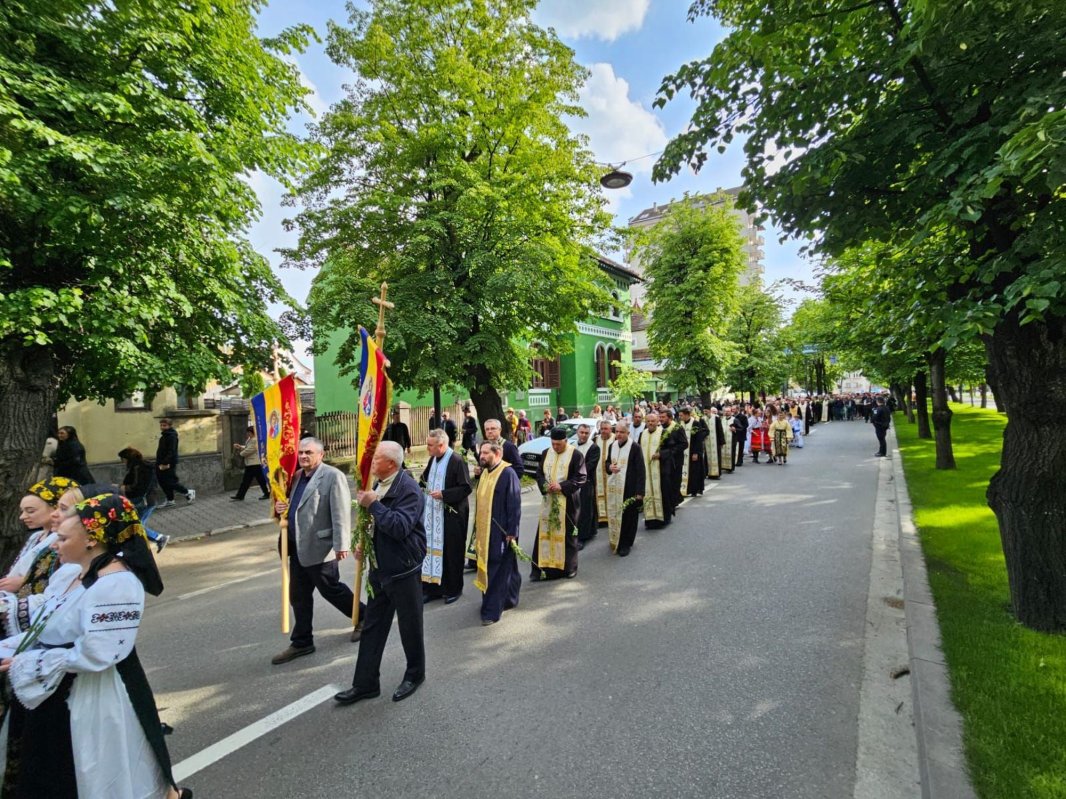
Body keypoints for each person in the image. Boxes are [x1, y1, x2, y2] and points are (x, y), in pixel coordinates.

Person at [0, 492, 192, 799]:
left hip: (90, 697)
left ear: (92, 540)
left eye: (62, 538)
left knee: (89, 777)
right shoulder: (70, 573)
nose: (54, 544)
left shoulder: (117, 584)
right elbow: (47, 621)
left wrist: (29, 663)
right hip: (55, 691)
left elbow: (97, 653)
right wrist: (13, 646)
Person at [335, 441, 427, 706]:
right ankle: (365, 683)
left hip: (403, 569)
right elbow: (376, 523)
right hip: (380, 568)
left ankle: (415, 674)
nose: (371, 462)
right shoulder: (379, 483)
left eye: (376, 459)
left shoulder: (408, 490)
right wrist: (364, 541)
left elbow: (399, 527)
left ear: (392, 464)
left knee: (410, 626)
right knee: (373, 628)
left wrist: (374, 504)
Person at [271, 438, 361, 665]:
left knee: (331, 589)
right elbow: (292, 505)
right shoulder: (297, 476)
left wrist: (342, 544)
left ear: (321, 454)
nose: (303, 456)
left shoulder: (332, 476)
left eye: (308, 452)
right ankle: (302, 641)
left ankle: (364, 617)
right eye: (301, 453)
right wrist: (280, 507)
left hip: (319, 547)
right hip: (296, 546)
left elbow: (340, 512)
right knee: (298, 596)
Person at [470, 441, 522, 625]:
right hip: (485, 530)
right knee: (504, 566)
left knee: (496, 569)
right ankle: (510, 598)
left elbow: (514, 503)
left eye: (485, 453)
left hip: (501, 531)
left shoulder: (508, 473)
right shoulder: (485, 471)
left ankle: (491, 612)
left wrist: (512, 531)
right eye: (480, 453)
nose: (481, 456)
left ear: (497, 453)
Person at [421, 429, 471, 604]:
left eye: (430, 445)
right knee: (433, 551)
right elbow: (424, 480)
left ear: (441, 445)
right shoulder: (433, 459)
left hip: (453, 516)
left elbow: (466, 488)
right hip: (434, 514)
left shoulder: (457, 460)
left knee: (452, 553)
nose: (427, 448)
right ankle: (434, 588)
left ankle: (454, 589)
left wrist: (444, 494)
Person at [531, 428, 587, 580]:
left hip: (567, 501)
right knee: (545, 532)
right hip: (548, 500)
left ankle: (569, 568)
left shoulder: (575, 455)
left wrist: (562, 486)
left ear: (566, 441)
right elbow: (539, 474)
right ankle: (541, 568)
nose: (555, 447)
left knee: (567, 535)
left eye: (559, 444)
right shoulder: (546, 453)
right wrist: (544, 485)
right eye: (553, 444)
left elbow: (581, 477)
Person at [604, 421, 645, 557]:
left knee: (628, 516)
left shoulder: (635, 447)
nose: (619, 434)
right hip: (614, 486)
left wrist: (640, 492)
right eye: (617, 432)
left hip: (629, 487)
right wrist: (610, 467)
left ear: (628, 433)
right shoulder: (612, 446)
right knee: (615, 513)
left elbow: (641, 470)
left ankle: (626, 543)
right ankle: (616, 538)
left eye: (622, 432)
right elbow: (607, 463)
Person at [119, 447, 170, 552]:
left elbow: (139, 487)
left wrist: (123, 488)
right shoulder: (143, 466)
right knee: (136, 524)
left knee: (136, 525)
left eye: (123, 459)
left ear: (128, 458)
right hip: (147, 499)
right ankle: (143, 544)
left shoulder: (141, 468)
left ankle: (159, 538)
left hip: (144, 501)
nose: (122, 462)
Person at [155, 418, 195, 507]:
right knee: (162, 481)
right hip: (161, 462)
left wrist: (165, 462)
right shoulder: (164, 435)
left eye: (164, 425)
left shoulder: (172, 436)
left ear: (169, 426)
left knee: (170, 481)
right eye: (161, 425)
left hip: (168, 463)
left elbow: (171, 451)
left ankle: (188, 492)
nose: (162, 427)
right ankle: (170, 500)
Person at [638, 412, 668, 529]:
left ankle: (663, 519)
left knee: (662, 493)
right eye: (648, 421)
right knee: (647, 494)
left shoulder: (663, 433)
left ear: (657, 422)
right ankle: (650, 520)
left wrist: (660, 454)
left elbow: (670, 449)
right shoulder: (642, 434)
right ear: (646, 422)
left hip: (660, 471)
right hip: (645, 470)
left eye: (653, 421)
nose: (650, 423)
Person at [573, 423, 599, 549]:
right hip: (573, 482)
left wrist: (575, 473)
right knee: (575, 509)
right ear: (577, 433)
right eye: (581, 432)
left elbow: (590, 465)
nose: (583, 435)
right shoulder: (572, 446)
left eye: (586, 433)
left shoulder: (593, 447)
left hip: (586, 482)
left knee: (585, 510)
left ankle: (582, 537)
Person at [659, 408, 688, 513]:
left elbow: (684, 444)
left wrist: (671, 451)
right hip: (664, 461)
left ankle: (673, 502)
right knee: (667, 482)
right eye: (660, 417)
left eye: (663, 417)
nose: (661, 419)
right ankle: (671, 500)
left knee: (675, 482)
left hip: (676, 461)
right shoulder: (660, 428)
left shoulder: (677, 428)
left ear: (670, 418)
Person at [230, 427, 271, 502]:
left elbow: (251, 449)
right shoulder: (250, 439)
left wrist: (241, 454)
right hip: (250, 464)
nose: (247, 434)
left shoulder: (255, 440)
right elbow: (247, 447)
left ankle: (267, 493)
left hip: (255, 463)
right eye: (247, 432)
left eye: (249, 432)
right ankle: (240, 495)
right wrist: (240, 447)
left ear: (252, 432)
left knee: (259, 480)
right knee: (247, 481)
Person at [679, 407, 708, 496]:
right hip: (683, 452)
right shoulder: (680, 424)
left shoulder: (695, 423)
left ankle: (694, 490)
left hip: (693, 451)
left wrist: (696, 453)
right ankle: (685, 489)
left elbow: (698, 439)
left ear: (687, 414)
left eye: (681, 415)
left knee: (694, 471)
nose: (680, 417)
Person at [594, 420, 614, 527]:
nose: (604, 431)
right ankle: (602, 518)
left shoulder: (616, 438)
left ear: (611, 429)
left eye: (606, 429)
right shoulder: (595, 440)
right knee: (599, 495)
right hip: (598, 475)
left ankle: (613, 517)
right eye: (602, 429)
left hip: (612, 474)